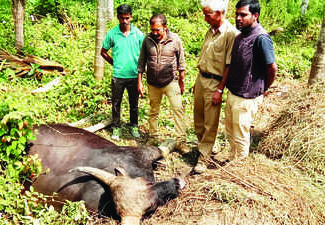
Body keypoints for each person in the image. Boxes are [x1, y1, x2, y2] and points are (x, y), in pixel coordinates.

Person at [224, 0, 277, 160]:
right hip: (234, 92)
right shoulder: (241, 36)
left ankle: (239, 168)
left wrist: (262, 89)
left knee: (241, 135)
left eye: (243, 15)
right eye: (237, 14)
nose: (238, 18)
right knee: (231, 131)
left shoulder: (261, 38)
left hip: (247, 98)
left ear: (255, 16)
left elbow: (272, 68)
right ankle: (232, 161)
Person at [193, 0, 238, 173]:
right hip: (201, 78)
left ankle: (203, 158)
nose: (205, 18)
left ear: (220, 13)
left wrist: (220, 89)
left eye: (207, 14)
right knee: (198, 119)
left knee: (210, 123)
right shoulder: (210, 31)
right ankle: (204, 147)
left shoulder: (230, 34)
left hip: (215, 82)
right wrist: (197, 82)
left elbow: (229, 65)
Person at [137, 14, 189, 153]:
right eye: (152, 30)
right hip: (153, 83)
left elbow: (181, 62)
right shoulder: (147, 40)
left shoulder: (175, 39)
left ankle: (181, 142)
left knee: (178, 110)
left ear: (165, 27)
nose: (155, 33)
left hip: (171, 82)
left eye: (158, 30)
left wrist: (182, 81)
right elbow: (142, 61)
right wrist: (139, 82)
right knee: (153, 110)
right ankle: (153, 137)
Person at [101, 4, 144, 140]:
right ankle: (116, 127)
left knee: (134, 104)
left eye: (127, 18)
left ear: (131, 17)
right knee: (116, 103)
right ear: (117, 17)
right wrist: (114, 63)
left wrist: (141, 73)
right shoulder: (112, 34)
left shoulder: (138, 34)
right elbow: (103, 52)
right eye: (121, 18)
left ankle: (134, 126)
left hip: (134, 75)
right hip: (118, 76)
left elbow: (144, 54)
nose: (124, 21)